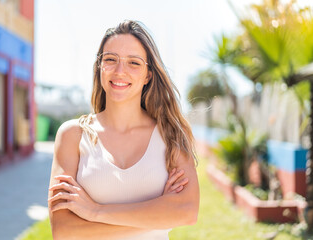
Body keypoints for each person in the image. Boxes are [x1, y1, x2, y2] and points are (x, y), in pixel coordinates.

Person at [48, 20, 200, 240]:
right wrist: (159, 215)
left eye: (134, 63)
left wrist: (94, 211)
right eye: (110, 59)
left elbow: (186, 212)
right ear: (100, 66)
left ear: (148, 74)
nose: (120, 71)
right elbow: (63, 231)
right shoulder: (72, 135)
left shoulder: (170, 135)